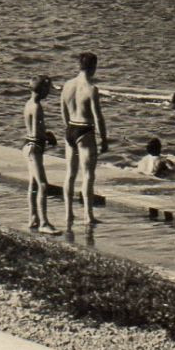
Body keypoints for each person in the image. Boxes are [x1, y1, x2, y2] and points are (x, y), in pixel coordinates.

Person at [59, 51, 109, 228]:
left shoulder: (67, 85)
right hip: (85, 130)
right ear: (93, 67)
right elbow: (98, 117)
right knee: (88, 175)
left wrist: (68, 127)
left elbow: (63, 111)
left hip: (70, 128)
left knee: (70, 174)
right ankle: (88, 216)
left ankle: (68, 213)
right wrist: (104, 138)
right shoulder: (92, 89)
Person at [21, 75, 59, 232]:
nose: (48, 92)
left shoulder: (28, 103)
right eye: (47, 89)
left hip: (27, 145)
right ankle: (44, 223)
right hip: (34, 147)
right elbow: (37, 133)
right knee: (43, 184)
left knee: (33, 184)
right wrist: (49, 136)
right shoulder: (37, 107)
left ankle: (33, 217)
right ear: (42, 90)